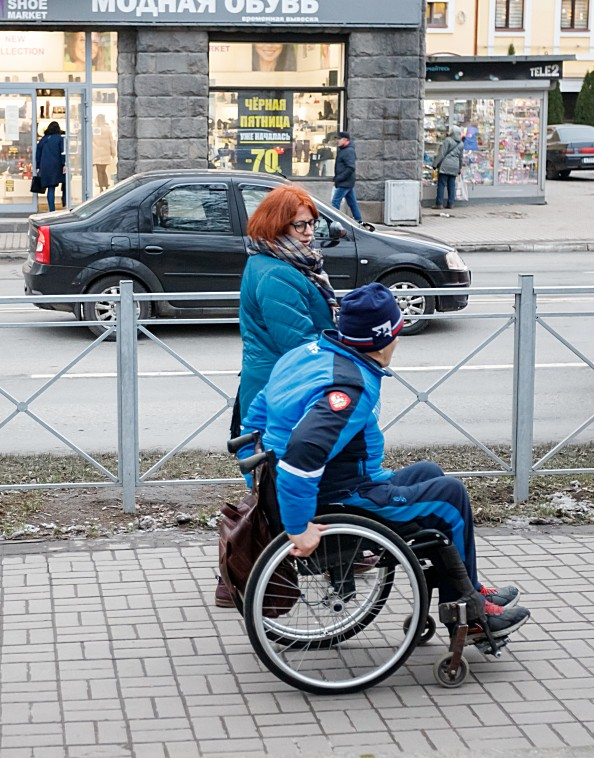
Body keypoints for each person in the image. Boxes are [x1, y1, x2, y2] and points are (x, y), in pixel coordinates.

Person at [242, 283, 530, 641]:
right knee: (449, 496)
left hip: (334, 482)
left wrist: (252, 462)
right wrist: (298, 526)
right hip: (340, 495)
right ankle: (468, 617)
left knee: (429, 473)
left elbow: (255, 409)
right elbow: (304, 454)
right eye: (396, 332)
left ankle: (466, 587)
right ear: (384, 338)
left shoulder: (308, 353)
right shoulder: (348, 389)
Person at [218, 183, 336, 608]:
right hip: (277, 391)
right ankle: (243, 575)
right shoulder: (277, 273)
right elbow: (298, 342)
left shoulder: (282, 263)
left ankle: (239, 574)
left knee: (263, 489)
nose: (308, 232)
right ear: (277, 225)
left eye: (311, 223)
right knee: (266, 493)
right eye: (299, 224)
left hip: (270, 385)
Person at [330, 130, 362, 223]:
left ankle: (333, 222)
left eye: (339, 139)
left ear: (345, 139)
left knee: (335, 202)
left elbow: (350, 167)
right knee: (352, 203)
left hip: (344, 182)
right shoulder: (345, 150)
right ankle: (358, 220)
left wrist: (339, 178)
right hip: (347, 182)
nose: (337, 141)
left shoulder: (348, 151)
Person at [34, 121, 65, 212]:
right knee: (54, 186)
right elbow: (62, 152)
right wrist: (64, 163)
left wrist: (38, 165)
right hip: (56, 165)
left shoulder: (44, 139)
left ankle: (52, 208)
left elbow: (38, 153)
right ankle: (59, 205)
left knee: (50, 187)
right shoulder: (59, 138)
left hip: (45, 166)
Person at [433, 125, 464, 210]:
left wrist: (435, 164)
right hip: (455, 166)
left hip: (445, 166)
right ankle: (451, 203)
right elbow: (461, 158)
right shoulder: (461, 144)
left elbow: (442, 153)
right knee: (452, 185)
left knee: (441, 185)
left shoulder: (448, 140)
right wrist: (459, 168)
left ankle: (439, 203)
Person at [91, 114, 116, 192]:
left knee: (99, 171)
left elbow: (91, 141)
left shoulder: (93, 129)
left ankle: (101, 187)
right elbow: (111, 141)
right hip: (105, 152)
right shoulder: (107, 129)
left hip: (96, 152)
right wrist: (113, 152)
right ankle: (106, 186)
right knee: (103, 170)